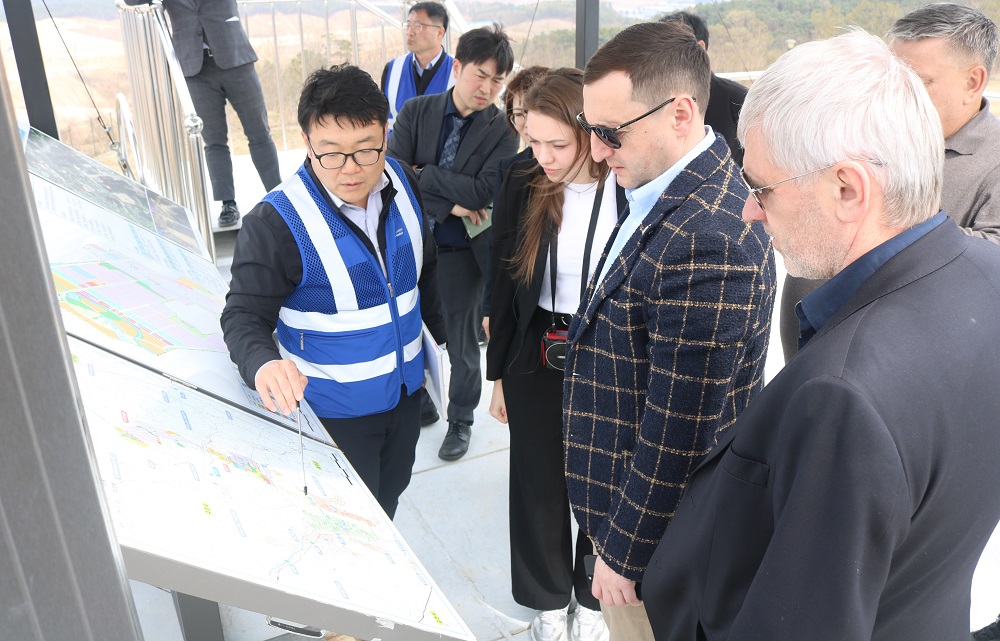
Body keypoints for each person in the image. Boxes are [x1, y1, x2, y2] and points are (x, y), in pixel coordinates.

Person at [642, 29, 1000, 641]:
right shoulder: (986, 276)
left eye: (759, 189)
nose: (749, 211)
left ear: (847, 189)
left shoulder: (844, 396)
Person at [564, 21, 776, 641]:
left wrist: (622, 552)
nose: (597, 151)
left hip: (656, 547)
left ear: (681, 113)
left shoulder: (708, 236)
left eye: (609, 133)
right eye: (589, 130)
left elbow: (679, 428)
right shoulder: (660, 189)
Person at [221, 65, 446, 519]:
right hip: (335, 418)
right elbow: (243, 316)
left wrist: (441, 346)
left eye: (366, 150)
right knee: (348, 523)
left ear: (386, 133)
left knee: (390, 497)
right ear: (307, 142)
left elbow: (426, 272)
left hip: (405, 398)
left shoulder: (404, 183)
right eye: (331, 154)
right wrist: (264, 364)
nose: (350, 170)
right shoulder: (275, 223)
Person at [779, 2, 1000, 362]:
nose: (892, 96)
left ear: (972, 82)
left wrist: (883, 217)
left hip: (896, 371)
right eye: (889, 79)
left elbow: (990, 267)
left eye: (915, 82)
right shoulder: (860, 130)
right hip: (808, 352)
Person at [487, 68, 617, 641]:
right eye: (532, 140)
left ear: (590, 133)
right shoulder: (522, 177)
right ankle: (545, 601)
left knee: (601, 476)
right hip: (539, 343)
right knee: (537, 477)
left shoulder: (628, 179)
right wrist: (498, 377)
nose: (542, 155)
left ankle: (591, 603)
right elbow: (502, 276)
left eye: (556, 143)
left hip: (608, 342)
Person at [388, 24, 519, 462]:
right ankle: (421, 395)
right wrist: (451, 201)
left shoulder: (502, 131)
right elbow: (393, 171)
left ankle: (460, 419)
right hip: (411, 242)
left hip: (463, 251)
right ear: (457, 66)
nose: (487, 88)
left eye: (497, 81)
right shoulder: (416, 110)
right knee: (407, 326)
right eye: (480, 75)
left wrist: (424, 175)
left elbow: (483, 192)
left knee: (461, 344)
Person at [125, 0, 282, 227]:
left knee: (259, 133)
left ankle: (277, 196)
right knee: (214, 141)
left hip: (236, 58)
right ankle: (228, 204)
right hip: (195, 69)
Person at [659, 11, 749, 166]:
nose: (660, 57)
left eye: (670, 48)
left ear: (700, 47)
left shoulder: (738, 100)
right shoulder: (651, 100)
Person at [380, 2, 455, 131]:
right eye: (408, 25)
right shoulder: (393, 69)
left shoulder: (457, 72)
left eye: (418, 26)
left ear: (439, 32)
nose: (410, 32)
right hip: (396, 150)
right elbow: (383, 118)